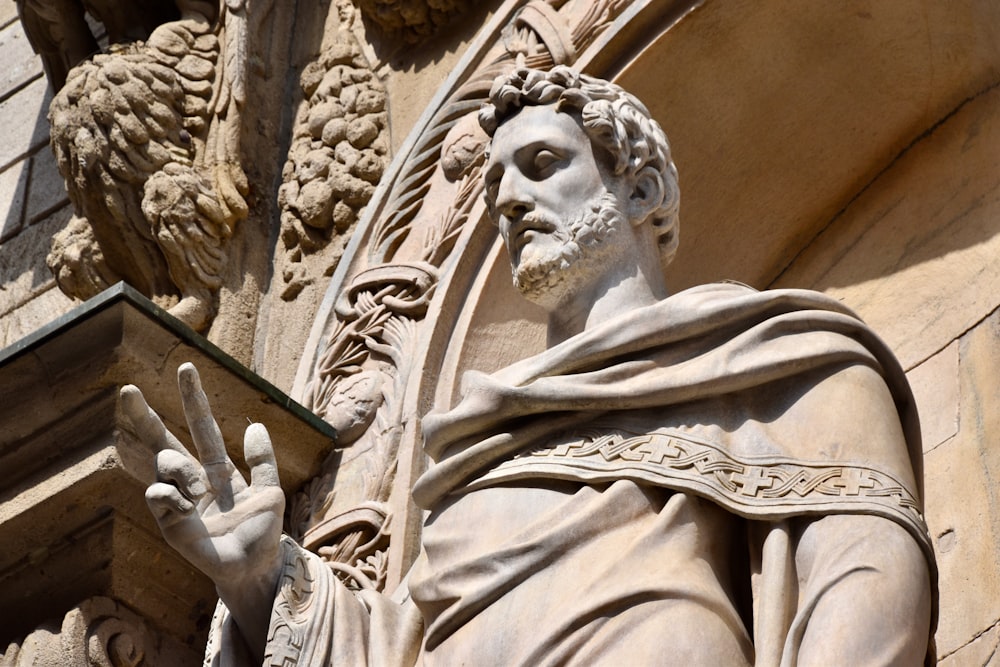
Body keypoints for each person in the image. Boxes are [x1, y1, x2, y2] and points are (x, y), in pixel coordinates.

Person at [122, 65, 934, 665]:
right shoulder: (482, 460)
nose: (508, 199)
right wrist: (263, 580)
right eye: (496, 183)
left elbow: (868, 585)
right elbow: (394, 646)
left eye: (543, 165)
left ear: (642, 188)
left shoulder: (777, 363)